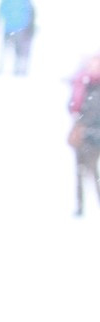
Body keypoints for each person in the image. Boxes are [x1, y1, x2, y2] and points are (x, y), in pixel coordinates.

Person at [68, 52, 100, 216]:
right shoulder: (82, 83)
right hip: (81, 135)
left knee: (93, 172)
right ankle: (79, 207)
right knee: (79, 172)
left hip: (95, 137)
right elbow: (72, 106)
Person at [0, 0, 35, 76]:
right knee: (14, 50)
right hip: (17, 28)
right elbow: (30, 12)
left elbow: (1, 11)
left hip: (15, 28)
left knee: (12, 50)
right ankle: (14, 69)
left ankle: (14, 69)